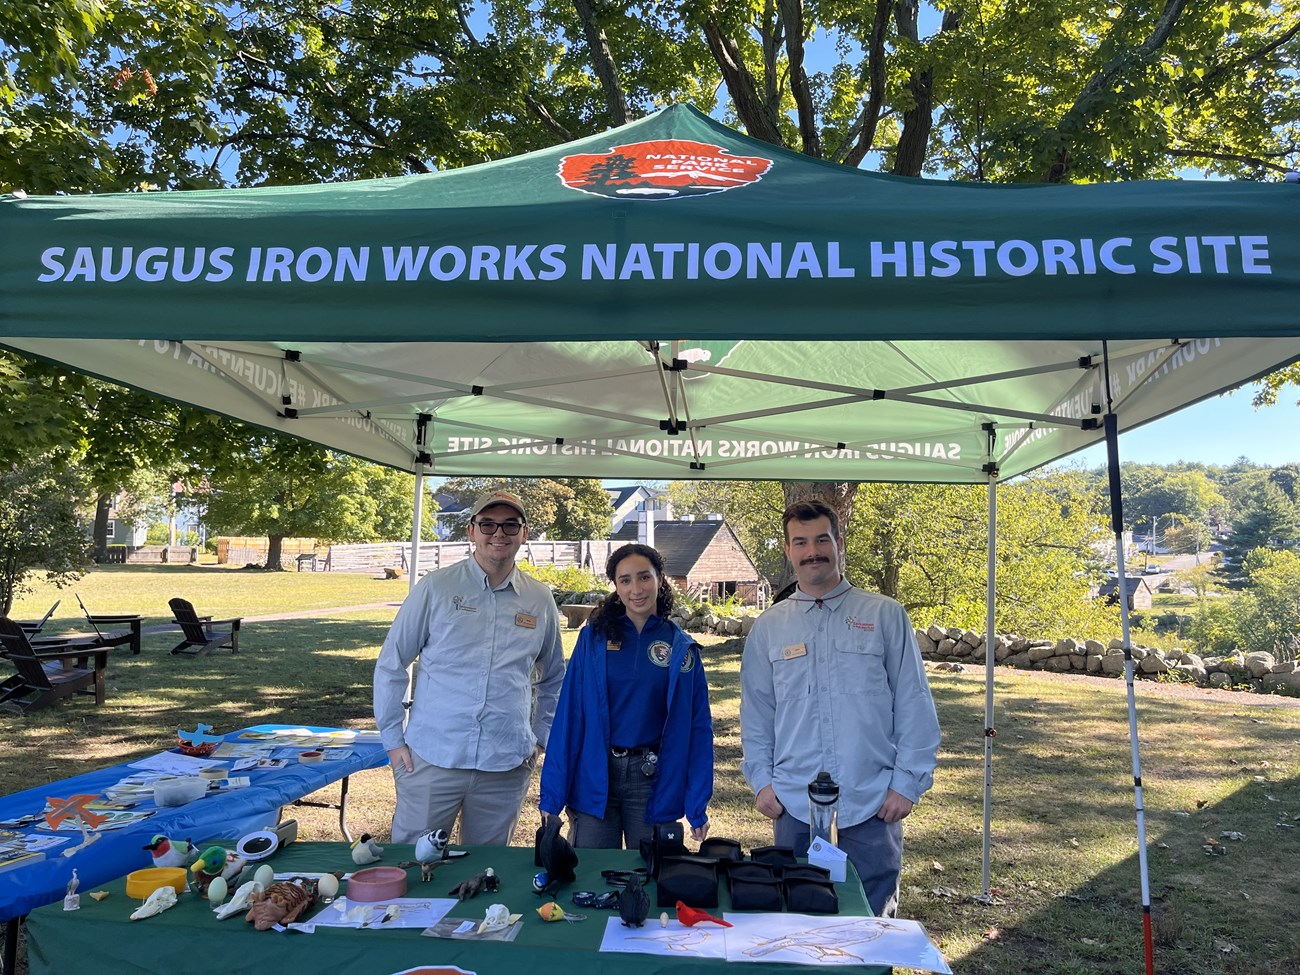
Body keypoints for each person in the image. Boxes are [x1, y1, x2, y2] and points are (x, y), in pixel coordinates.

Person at [740, 500, 940, 917]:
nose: (812, 551)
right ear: (788, 549)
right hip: (794, 803)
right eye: (801, 542)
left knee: (870, 925)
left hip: (871, 802)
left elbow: (913, 702)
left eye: (821, 539)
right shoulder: (769, 627)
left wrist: (907, 782)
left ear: (839, 542)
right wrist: (761, 780)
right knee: (795, 923)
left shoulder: (885, 615)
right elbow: (757, 713)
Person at [373, 489, 565, 846]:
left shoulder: (539, 598)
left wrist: (540, 738)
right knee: (413, 867)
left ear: (524, 533)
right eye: (488, 524)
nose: (499, 533)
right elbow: (392, 663)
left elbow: (553, 676)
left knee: (486, 874)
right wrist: (392, 740)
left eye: (510, 525)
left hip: (505, 763)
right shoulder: (436, 587)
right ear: (471, 531)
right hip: (432, 757)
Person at [540, 543, 713, 849]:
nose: (636, 589)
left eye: (644, 577)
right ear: (616, 587)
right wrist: (552, 796)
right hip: (596, 776)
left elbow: (698, 727)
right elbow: (569, 716)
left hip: (653, 780)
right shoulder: (593, 638)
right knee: (589, 878)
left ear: (660, 579)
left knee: (651, 877)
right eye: (625, 580)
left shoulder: (681, 648)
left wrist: (697, 803)